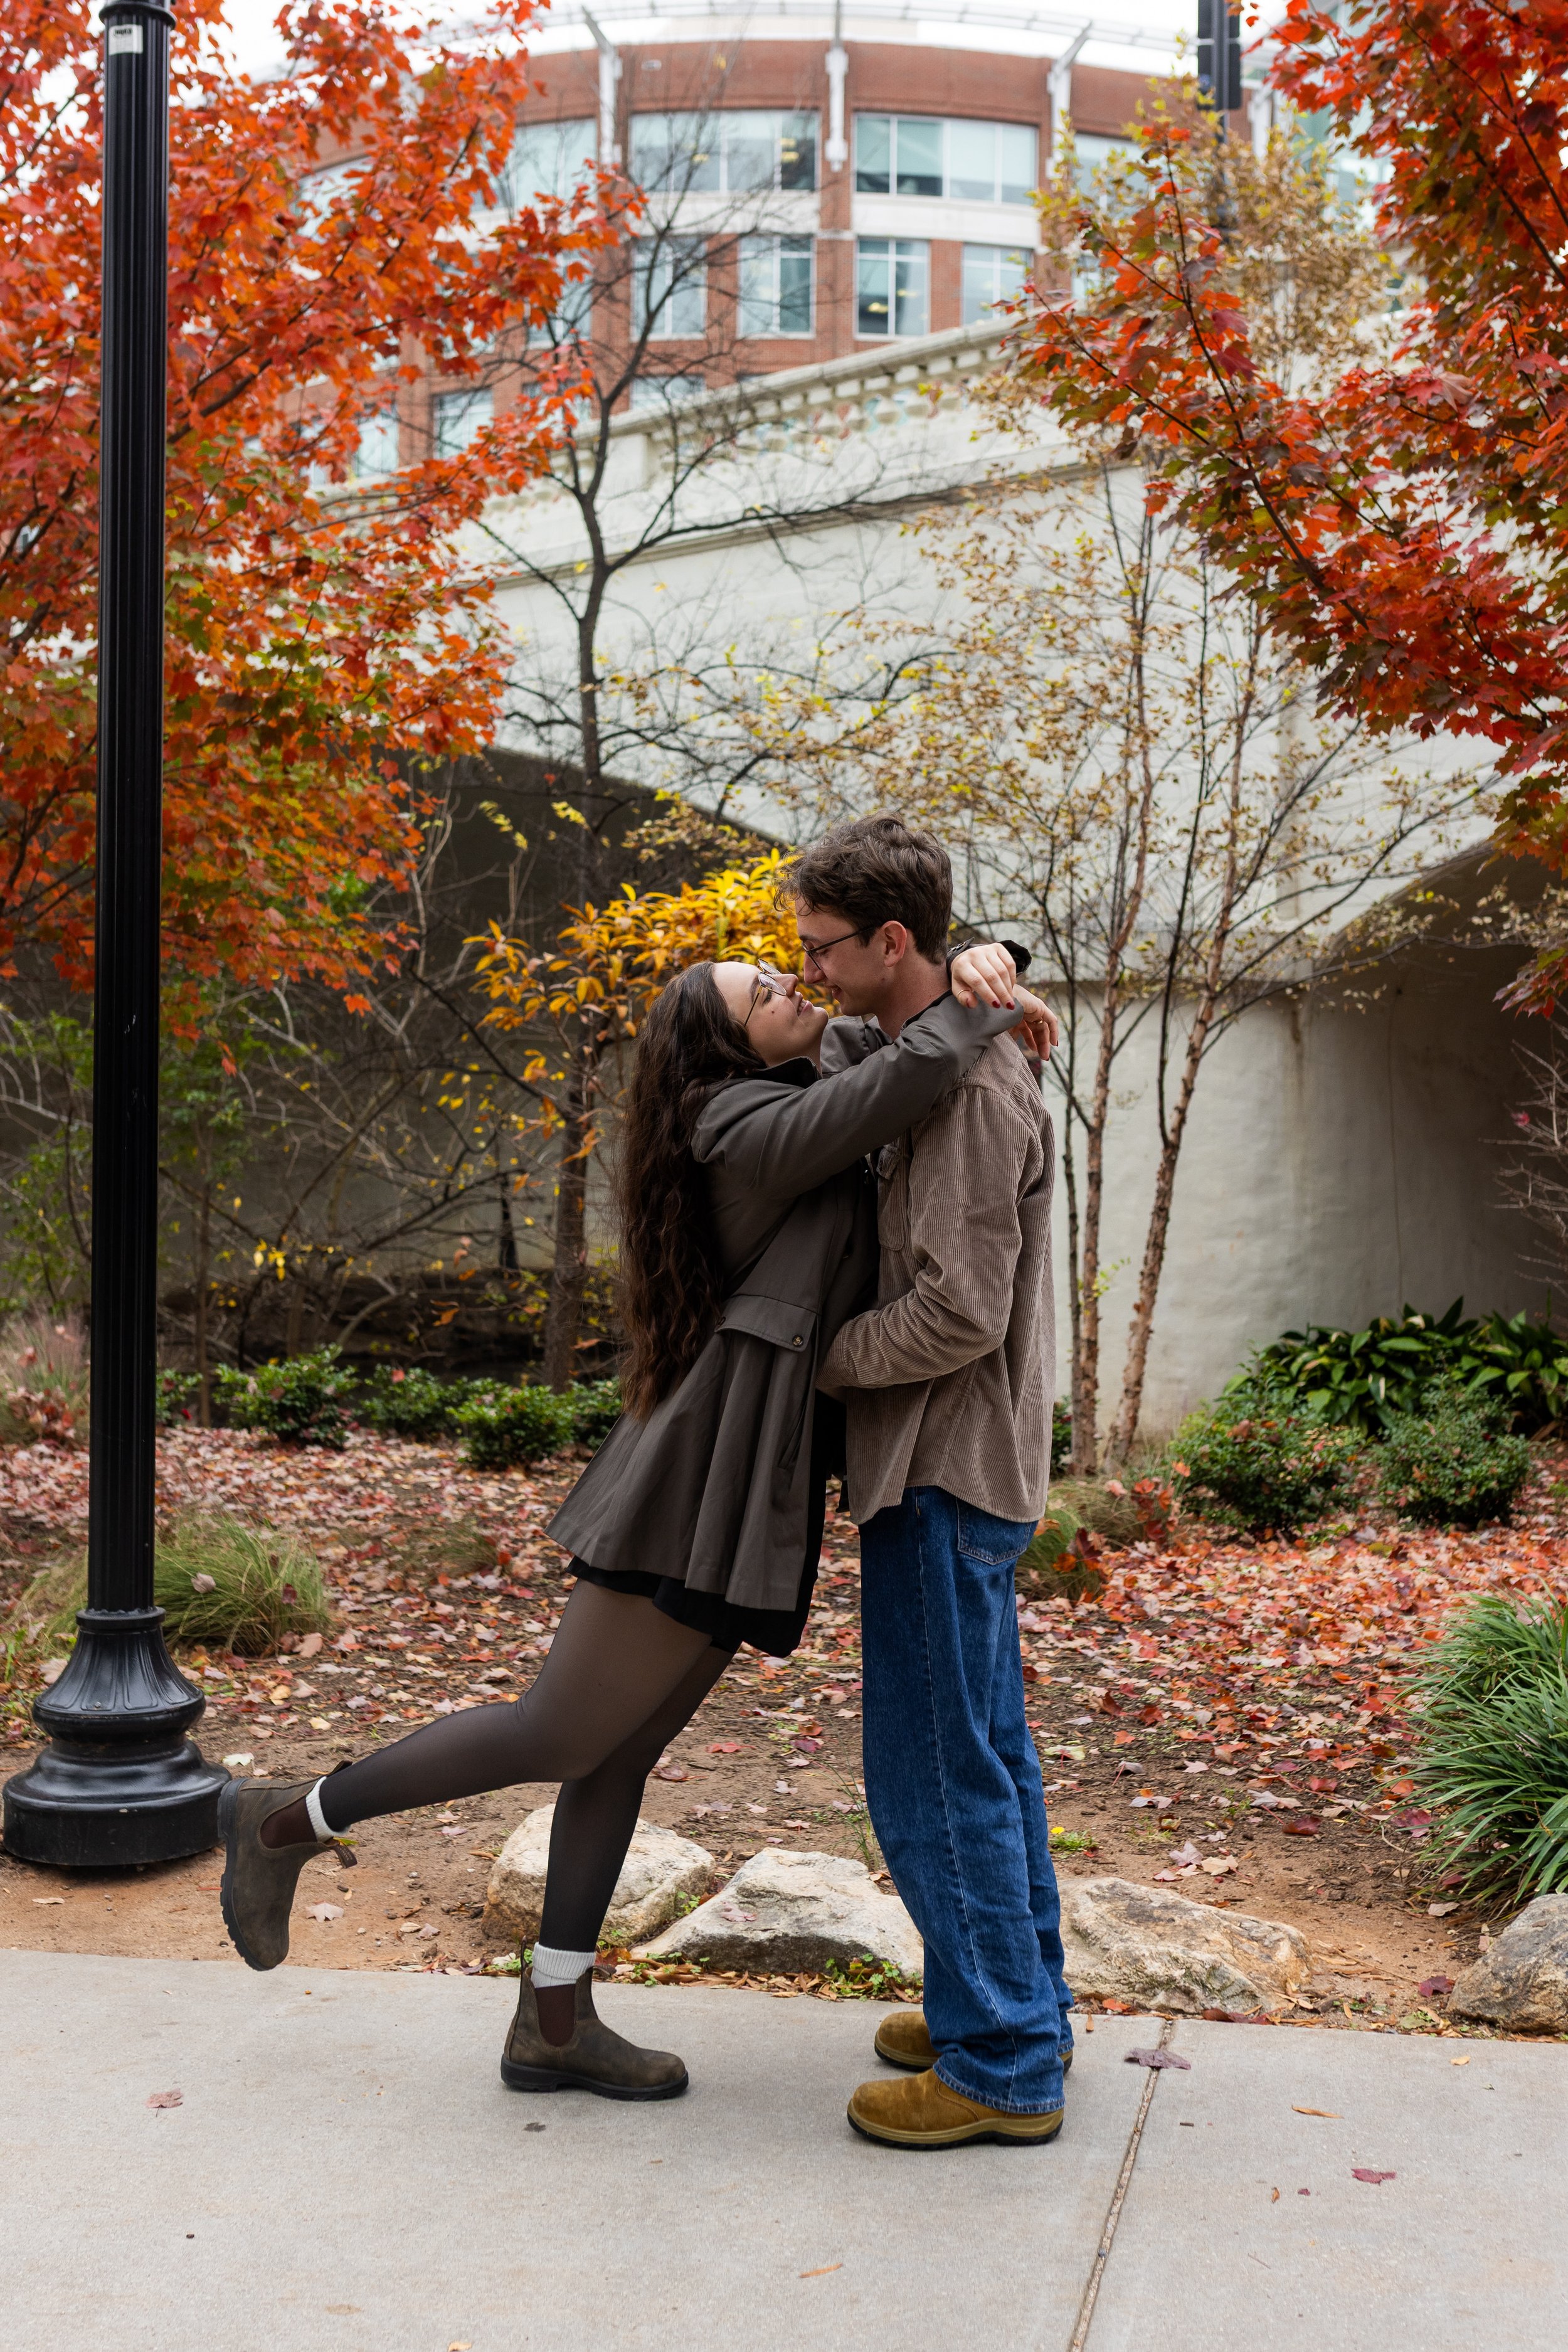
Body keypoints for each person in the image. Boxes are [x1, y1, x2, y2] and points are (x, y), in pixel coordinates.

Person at [218, 935, 1053, 2106]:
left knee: (622, 1748)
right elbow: (900, 1076)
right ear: (724, 1047)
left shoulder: (804, 1084)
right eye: (765, 993)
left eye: (789, 971)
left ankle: (554, 2019)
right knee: (562, 1730)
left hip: (745, 1488)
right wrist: (985, 1012)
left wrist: (992, 961)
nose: (792, 986)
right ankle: (282, 1822)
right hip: (693, 1483)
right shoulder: (740, 1124)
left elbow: (890, 1016)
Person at [790, 813, 1073, 2153]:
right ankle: (1002, 2001)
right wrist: (999, 953)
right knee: (987, 1758)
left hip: (944, 1466)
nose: (810, 975)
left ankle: (1002, 2062)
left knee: (932, 1771)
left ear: (892, 941)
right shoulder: (926, 1047)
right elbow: (835, 1055)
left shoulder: (963, 1086)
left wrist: (808, 1361)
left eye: (825, 950)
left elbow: (956, 1312)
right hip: (956, 1465)